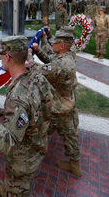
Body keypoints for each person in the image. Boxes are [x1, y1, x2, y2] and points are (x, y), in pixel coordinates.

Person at [0, 36, 53, 197]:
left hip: (23, 159)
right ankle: (10, 187)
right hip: (37, 144)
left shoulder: (18, 97)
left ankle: (12, 190)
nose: (1, 57)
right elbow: (50, 105)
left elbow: (8, 142)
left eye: (2, 54)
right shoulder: (37, 76)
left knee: (19, 189)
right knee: (19, 183)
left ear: (7, 57)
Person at [31, 26, 81, 177]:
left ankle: (28, 161)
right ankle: (75, 164)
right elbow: (51, 60)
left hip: (58, 105)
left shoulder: (61, 65)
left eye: (55, 42)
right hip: (67, 101)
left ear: (62, 45)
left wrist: (28, 59)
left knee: (38, 129)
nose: (52, 44)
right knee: (69, 133)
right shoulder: (68, 54)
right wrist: (39, 50)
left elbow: (39, 71)